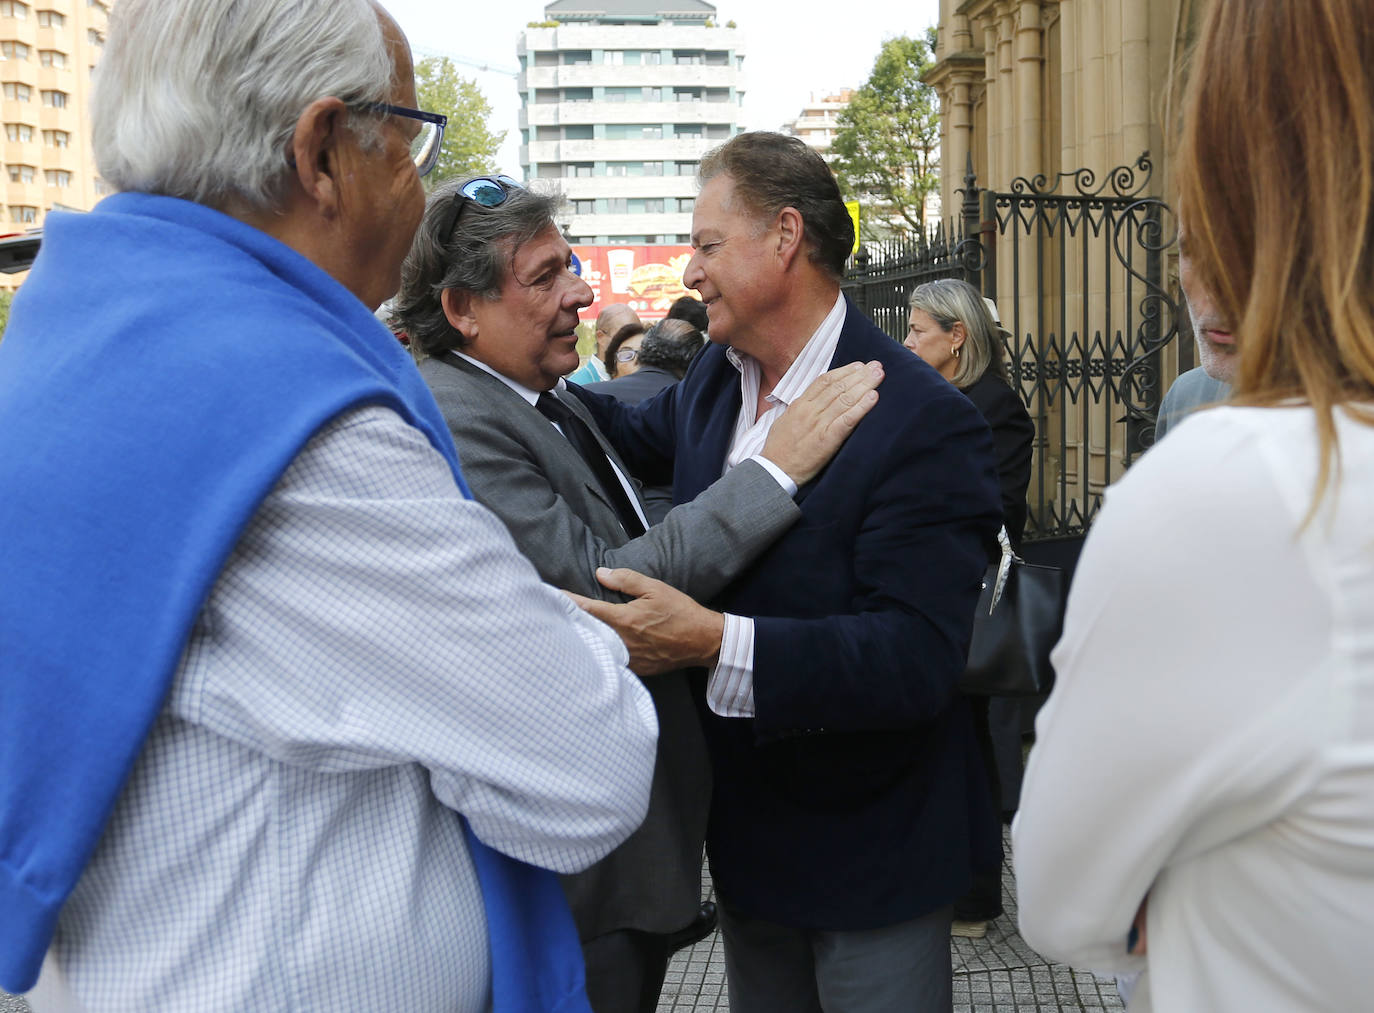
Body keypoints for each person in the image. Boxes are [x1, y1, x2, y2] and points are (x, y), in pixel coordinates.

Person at [0, 2, 660, 1009]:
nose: (417, 180)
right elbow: (589, 766)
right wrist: (575, 638)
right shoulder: (287, 423)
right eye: (406, 140)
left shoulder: (88, 341)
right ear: (321, 153)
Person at [393, 175, 881, 1012]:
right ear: (462, 308)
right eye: (545, 277)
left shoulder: (543, 396)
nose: (581, 292)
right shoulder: (457, 414)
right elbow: (607, 584)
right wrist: (777, 466)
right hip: (587, 871)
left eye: (571, 265)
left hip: (638, 846)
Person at [568, 131, 1004, 1012]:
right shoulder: (712, 384)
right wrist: (498, 370)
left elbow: (917, 656)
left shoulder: (922, 419)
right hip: (747, 849)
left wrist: (713, 643)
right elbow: (603, 429)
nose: (689, 271)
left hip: (873, 856)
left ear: (786, 238)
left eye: (707, 244)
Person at [1013, 2, 1374, 1010]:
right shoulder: (1212, 438)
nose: (1199, 279)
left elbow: (1058, 896)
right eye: (1181, 242)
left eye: (1219, 220)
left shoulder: (1248, 486)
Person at [904, 279, 1034, 940]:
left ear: (958, 337)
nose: (907, 342)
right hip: (926, 599)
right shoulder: (929, 398)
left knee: (970, 749)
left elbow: (1000, 510)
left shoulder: (995, 406)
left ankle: (977, 899)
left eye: (919, 330)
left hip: (969, 603)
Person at [587, 318, 709, 524]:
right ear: (694, 362)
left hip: (604, 525)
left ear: (641, 353)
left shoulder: (589, 396)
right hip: (683, 525)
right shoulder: (700, 405)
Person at [569, 302, 640, 384]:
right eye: (627, 336)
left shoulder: (639, 378)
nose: (636, 343)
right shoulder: (579, 386)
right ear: (601, 338)